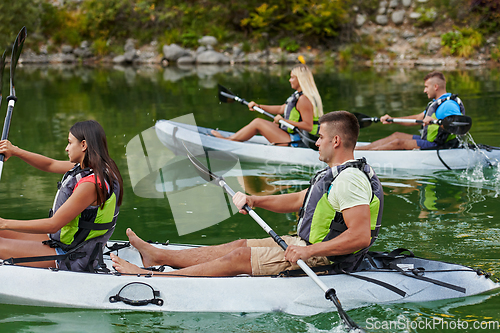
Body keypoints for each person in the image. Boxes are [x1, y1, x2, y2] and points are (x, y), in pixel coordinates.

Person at [110, 111, 383, 277]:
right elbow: (301, 200)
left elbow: (359, 236)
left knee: (237, 260)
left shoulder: (350, 180)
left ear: (336, 141)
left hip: (327, 257)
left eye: (321, 137)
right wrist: (256, 200)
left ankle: (151, 277)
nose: (317, 142)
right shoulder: (333, 174)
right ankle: (160, 257)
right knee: (239, 246)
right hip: (305, 243)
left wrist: (307, 251)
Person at [0, 120, 123, 272]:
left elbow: (53, 225)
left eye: (70, 143)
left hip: (72, 255)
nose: (66, 148)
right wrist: (15, 151)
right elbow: (50, 164)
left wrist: (4, 222)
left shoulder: (91, 185)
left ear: (83, 145)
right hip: (64, 242)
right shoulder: (94, 167)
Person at [211, 64, 323, 146]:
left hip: (297, 141)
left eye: (292, 77)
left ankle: (228, 141)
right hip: (291, 135)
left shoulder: (304, 100)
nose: (290, 80)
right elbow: (281, 108)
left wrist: (284, 121)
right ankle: (230, 139)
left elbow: (308, 126)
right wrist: (259, 106)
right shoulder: (298, 96)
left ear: (300, 79)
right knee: (259, 122)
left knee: (258, 122)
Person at [356, 71, 465, 150]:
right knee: (396, 135)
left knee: (398, 142)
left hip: (440, 145)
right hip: (429, 140)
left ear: (435, 86)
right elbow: (418, 118)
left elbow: (457, 126)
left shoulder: (449, 105)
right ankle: (364, 148)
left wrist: (435, 122)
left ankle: (368, 154)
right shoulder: (437, 103)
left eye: (426, 87)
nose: (424, 90)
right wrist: (392, 119)